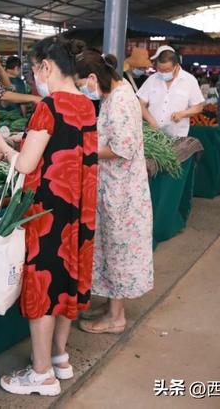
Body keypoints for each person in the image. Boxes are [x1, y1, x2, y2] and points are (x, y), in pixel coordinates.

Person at [0, 36, 97, 397]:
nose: (35, 79)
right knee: (67, 280)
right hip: (78, 210)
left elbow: (29, 164)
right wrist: (23, 143)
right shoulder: (87, 105)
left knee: (45, 286)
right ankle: (60, 357)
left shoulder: (49, 106)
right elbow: (63, 149)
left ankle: (41, 373)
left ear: (46, 67)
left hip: (48, 212)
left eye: (34, 71)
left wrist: (4, 147)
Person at [70, 49, 154, 334]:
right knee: (110, 248)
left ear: (93, 77)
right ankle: (110, 305)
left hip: (122, 192)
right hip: (115, 187)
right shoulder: (115, 96)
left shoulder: (119, 100)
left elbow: (121, 148)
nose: (85, 90)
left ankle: (116, 318)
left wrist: (83, 150)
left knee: (118, 250)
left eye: (84, 85)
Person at [137, 45, 204, 137]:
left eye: (167, 70)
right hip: (151, 134)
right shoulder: (152, 79)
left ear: (176, 66)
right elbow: (141, 104)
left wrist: (182, 114)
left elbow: (198, 107)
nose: (163, 73)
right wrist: (151, 121)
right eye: (160, 69)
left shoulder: (189, 80)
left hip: (177, 136)